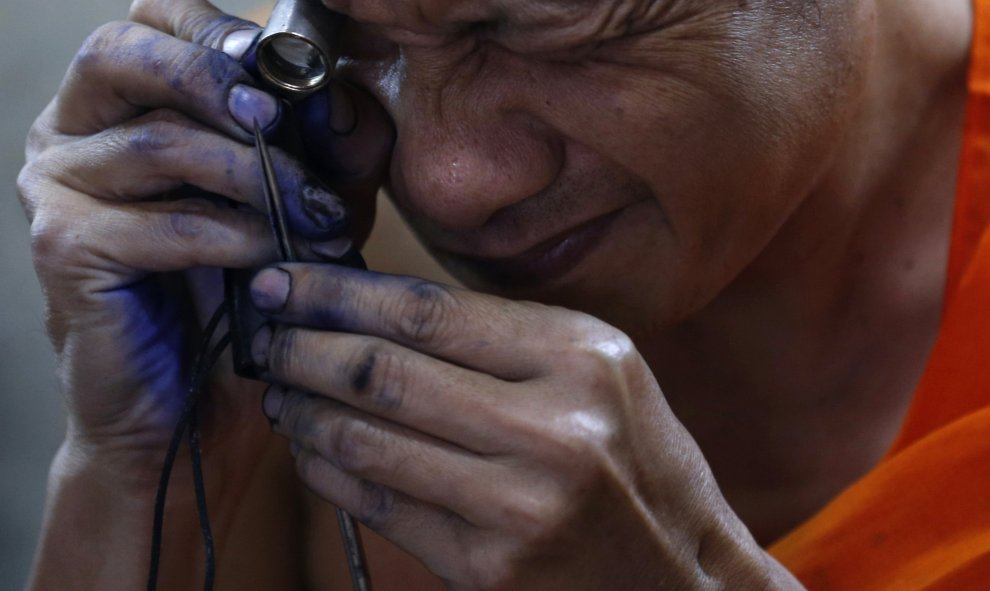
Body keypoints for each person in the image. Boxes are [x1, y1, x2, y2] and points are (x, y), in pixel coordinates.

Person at [15, 0, 990, 588]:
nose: (447, 182)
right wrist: (146, 469)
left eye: (545, 27)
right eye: (351, 34)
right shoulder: (304, 237)